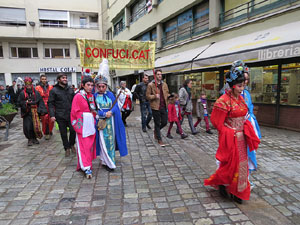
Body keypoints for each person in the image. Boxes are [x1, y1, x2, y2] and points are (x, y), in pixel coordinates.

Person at [204, 66, 260, 204]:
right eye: (240, 86)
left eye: (243, 86)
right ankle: (224, 184)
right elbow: (217, 122)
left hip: (242, 138)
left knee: (242, 164)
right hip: (231, 137)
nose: (242, 89)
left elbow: (245, 114)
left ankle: (238, 191)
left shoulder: (241, 99)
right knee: (230, 164)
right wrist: (230, 131)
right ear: (233, 85)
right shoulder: (223, 101)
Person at [94, 75, 128, 172]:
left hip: (111, 122)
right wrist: (103, 114)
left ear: (106, 86)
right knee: (102, 141)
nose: (101, 89)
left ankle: (111, 161)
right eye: (99, 87)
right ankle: (105, 161)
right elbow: (93, 109)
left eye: (103, 86)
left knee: (111, 141)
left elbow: (115, 105)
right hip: (100, 122)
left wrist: (111, 112)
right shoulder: (94, 96)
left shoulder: (110, 95)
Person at [238, 61, 261, 189]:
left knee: (247, 154)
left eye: (247, 80)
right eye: (243, 79)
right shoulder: (230, 94)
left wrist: (250, 120)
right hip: (236, 131)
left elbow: (250, 108)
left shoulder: (246, 93)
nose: (245, 82)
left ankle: (246, 179)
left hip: (248, 128)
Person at [71, 77, 97, 179]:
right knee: (83, 146)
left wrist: (94, 115)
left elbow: (94, 109)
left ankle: (86, 163)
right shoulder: (78, 96)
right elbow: (74, 112)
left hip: (90, 123)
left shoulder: (91, 96)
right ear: (83, 85)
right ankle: (86, 167)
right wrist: (86, 116)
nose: (90, 87)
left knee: (89, 145)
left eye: (92, 85)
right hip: (83, 124)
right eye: (88, 85)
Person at [48, 73, 76, 157]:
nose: (65, 79)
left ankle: (71, 144)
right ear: (58, 80)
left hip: (71, 114)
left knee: (73, 130)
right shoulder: (54, 90)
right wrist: (52, 115)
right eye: (63, 78)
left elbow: (75, 101)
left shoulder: (70, 89)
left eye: (66, 78)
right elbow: (50, 104)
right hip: (60, 115)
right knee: (63, 133)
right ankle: (66, 148)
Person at [18, 77, 47, 146]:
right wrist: (26, 103)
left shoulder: (36, 93)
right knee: (28, 126)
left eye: (30, 84)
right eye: (27, 85)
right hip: (27, 112)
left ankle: (34, 138)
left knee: (35, 126)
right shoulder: (22, 93)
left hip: (35, 112)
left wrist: (42, 110)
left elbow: (40, 101)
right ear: (25, 85)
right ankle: (29, 139)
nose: (28, 86)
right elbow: (19, 103)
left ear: (31, 84)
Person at [146, 69, 169, 147]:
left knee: (164, 122)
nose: (160, 75)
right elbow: (147, 96)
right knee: (157, 123)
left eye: (161, 74)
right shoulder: (151, 85)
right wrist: (154, 96)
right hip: (155, 107)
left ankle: (156, 131)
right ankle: (159, 139)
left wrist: (170, 97)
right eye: (158, 74)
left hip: (163, 106)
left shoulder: (164, 84)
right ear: (155, 75)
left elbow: (167, 93)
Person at [35, 74, 54, 140]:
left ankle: (50, 130)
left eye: (45, 79)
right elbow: (36, 97)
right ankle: (46, 133)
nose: (44, 80)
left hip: (50, 105)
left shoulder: (51, 87)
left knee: (51, 119)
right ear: (40, 79)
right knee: (44, 119)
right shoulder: (37, 88)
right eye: (42, 79)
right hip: (42, 105)